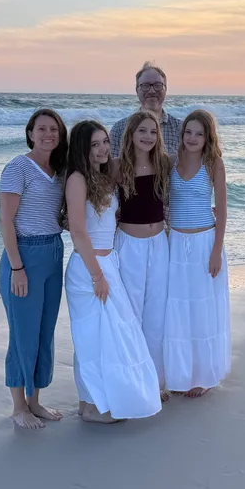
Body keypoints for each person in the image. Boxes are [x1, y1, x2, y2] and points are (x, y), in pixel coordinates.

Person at [63, 120, 162, 423]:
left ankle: (89, 402)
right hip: (88, 266)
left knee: (104, 335)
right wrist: (97, 276)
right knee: (95, 337)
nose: (103, 149)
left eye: (105, 141)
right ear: (82, 148)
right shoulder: (78, 179)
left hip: (108, 262)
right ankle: (92, 407)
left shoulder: (103, 178)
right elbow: (79, 232)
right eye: (94, 144)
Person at [0, 108, 69, 430]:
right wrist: (17, 267)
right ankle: (18, 407)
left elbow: (58, 214)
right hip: (23, 256)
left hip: (54, 253)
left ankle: (35, 401)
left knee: (45, 332)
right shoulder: (17, 168)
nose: (48, 134)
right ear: (30, 133)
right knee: (22, 333)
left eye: (53, 129)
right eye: (41, 129)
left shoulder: (61, 170)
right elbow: (6, 221)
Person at [164, 109, 230, 398]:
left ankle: (203, 376)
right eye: (188, 132)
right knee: (178, 309)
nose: (192, 138)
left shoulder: (213, 163)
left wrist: (216, 250)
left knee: (203, 311)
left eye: (199, 133)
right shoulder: (171, 161)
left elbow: (223, 210)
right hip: (175, 244)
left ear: (207, 138)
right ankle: (179, 372)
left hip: (205, 243)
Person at [112, 110, 172, 400]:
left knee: (156, 313)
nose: (148, 137)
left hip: (160, 244)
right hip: (130, 246)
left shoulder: (164, 163)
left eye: (153, 131)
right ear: (131, 134)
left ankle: (155, 381)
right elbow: (93, 194)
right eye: (142, 131)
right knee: (131, 312)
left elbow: (196, 170)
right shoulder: (117, 167)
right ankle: (131, 380)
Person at [109, 61, 182, 158]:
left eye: (158, 85)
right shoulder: (119, 129)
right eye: (145, 86)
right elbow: (109, 170)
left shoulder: (181, 129)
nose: (152, 91)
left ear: (165, 89)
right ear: (137, 90)